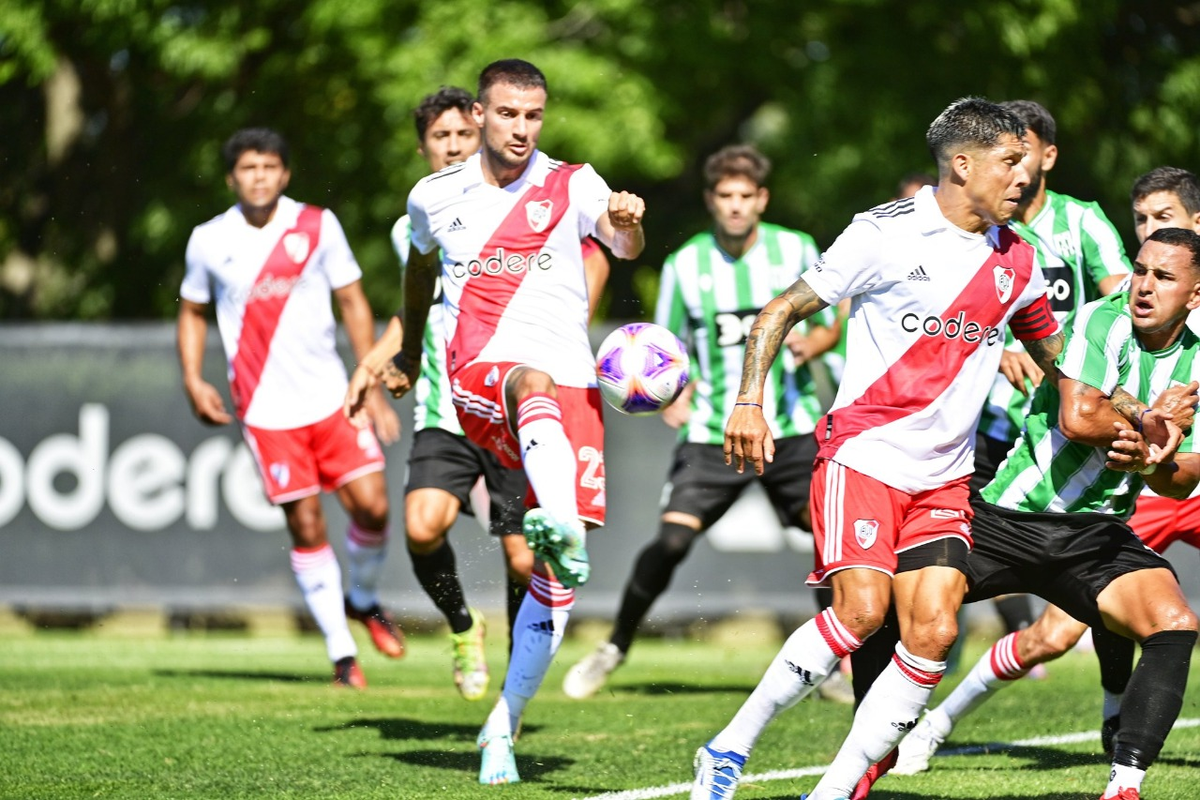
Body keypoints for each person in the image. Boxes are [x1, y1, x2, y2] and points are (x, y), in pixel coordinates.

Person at [691, 97, 1062, 800]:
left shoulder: (1018, 258)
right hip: (862, 459)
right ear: (963, 163)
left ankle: (831, 793)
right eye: (1011, 161)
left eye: (1031, 161)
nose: (1027, 174)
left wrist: (1126, 407)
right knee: (861, 614)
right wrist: (748, 401)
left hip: (946, 479)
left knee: (935, 629)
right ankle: (726, 748)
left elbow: (1060, 357)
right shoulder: (883, 234)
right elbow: (781, 310)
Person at [376, 59, 645, 785]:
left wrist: (626, 226)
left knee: (555, 581)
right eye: (507, 115)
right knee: (530, 381)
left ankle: (503, 725)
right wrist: (405, 349)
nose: (521, 129)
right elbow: (417, 270)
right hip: (480, 376)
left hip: (572, 391)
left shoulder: (574, 182)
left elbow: (623, 249)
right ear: (483, 113)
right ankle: (553, 519)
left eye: (533, 116)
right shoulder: (435, 195)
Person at [892, 165, 1200, 778]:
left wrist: (1156, 457)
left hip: (1104, 523)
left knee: (1171, 622)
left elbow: (1180, 476)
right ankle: (908, 733)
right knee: (901, 617)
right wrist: (1149, 431)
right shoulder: (1102, 317)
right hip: (1016, 514)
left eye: (1161, 227)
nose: (1140, 280)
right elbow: (1081, 415)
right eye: (1141, 242)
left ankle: (1124, 779)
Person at [347, 86, 611, 702]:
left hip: (522, 397)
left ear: (478, 130)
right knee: (421, 524)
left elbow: (596, 251)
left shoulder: (539, 191)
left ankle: (516, 683)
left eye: (461, 137)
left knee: (524, 559)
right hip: (450, 400)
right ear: (424, 148)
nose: (452, 147)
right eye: (440, 139)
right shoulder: (423, 212)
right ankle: (464, 628)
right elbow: (418, 302)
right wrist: (385, 357)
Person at [561, 144, 840, 700]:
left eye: (745, 196)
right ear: (712, 200)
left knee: (829, 546)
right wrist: (670, 399)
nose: (735, 206)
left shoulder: (796, 249)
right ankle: (614, 645)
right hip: (714, 431)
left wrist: (816, 342)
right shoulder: (687, 262)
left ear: (761, 199)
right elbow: (665, 345)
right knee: (670, 540)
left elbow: (831, 324)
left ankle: (828, 667)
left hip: (789, 427)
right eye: (724, 196)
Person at [178, 128, 405, 690]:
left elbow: (352, 300)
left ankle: (364, 597)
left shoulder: (317, 225)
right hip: (264, 409)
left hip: (333, 396)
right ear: (233, 177)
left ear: (285, 174)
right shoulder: (209, 239)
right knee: (305, 523)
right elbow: (191, 311)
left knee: (373, 509)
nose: (259, 176)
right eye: (248, 168)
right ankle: (342, 655)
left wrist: (370, 379)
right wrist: (192, 379)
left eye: (270, 166)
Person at [973, 100, 1131, 636]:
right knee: (950, 550)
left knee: (1088, 561)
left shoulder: (1081, 219)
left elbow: (1126, 302)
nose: (1014, 165)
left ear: (1049, 155)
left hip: (1063, 422)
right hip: (989, 418)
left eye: (1025, 151)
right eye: (1004, 153)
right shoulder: (982, 228)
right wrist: (999, 350)